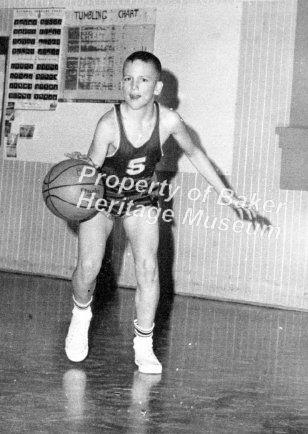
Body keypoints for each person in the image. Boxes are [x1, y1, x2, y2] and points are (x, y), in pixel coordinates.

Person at [65, 51, 257, 374]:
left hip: (141, 199)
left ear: (157, 87)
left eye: (143, 79)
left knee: (148, 268)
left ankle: (143, 343)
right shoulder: (109, 123)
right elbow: (91, 169)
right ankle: (81, 314)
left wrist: (227, 195)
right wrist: (75, 170)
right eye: (128, 78)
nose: (134, 86)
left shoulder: (169, 121)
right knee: (88, 266)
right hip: (103, 199)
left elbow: (195, 153)